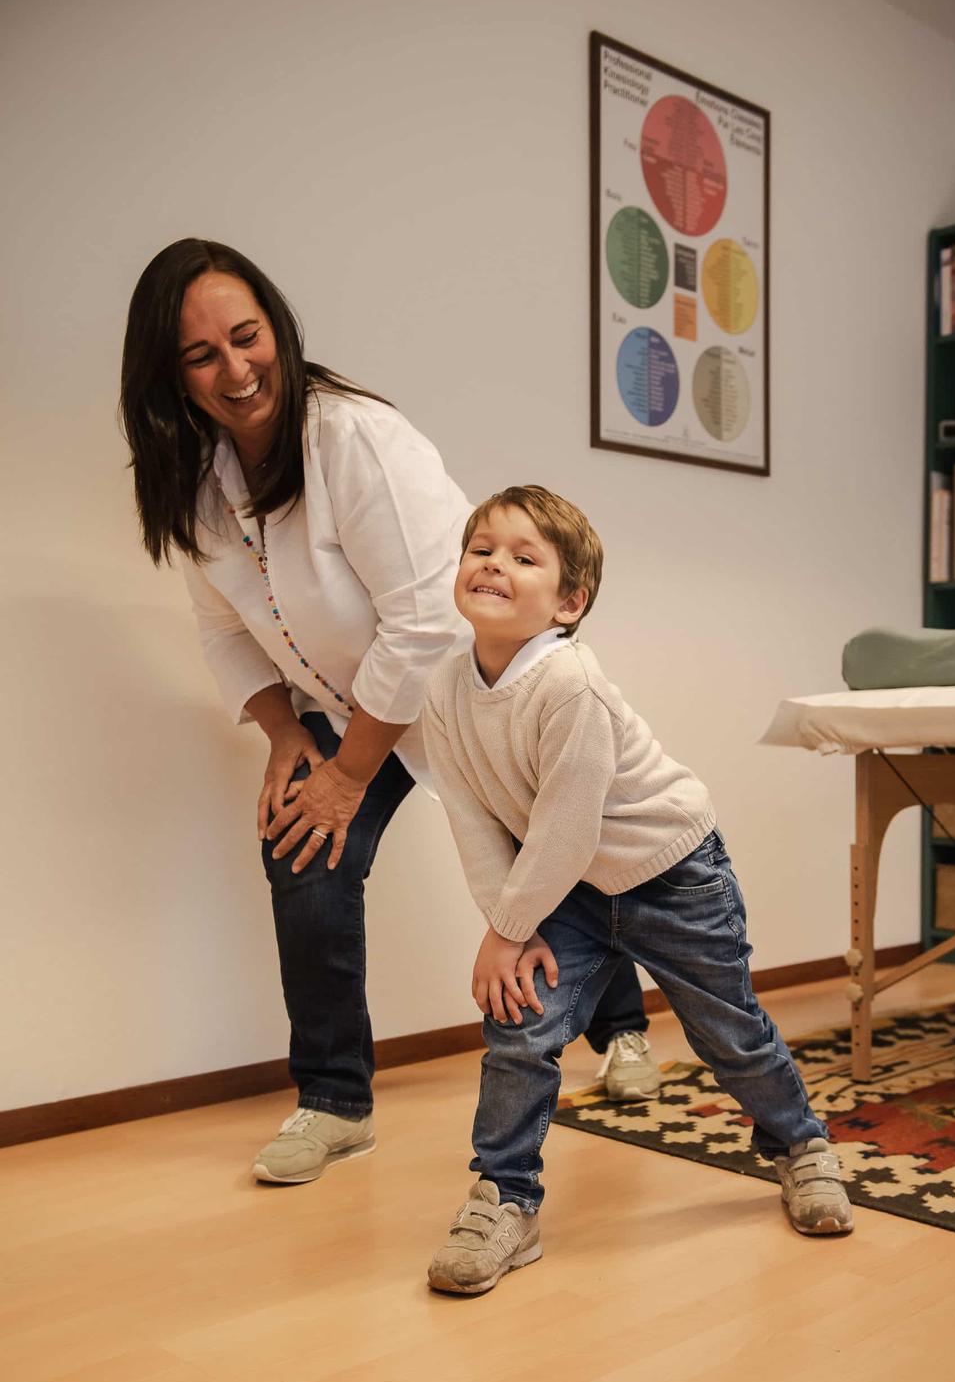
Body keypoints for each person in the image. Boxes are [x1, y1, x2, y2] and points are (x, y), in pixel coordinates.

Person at [119, 240, 657, 1186]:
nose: (236, 371)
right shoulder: (195, 478)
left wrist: (347, 773)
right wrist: (288, 736)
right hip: (345, 701)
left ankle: (620, 1031)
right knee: (302, 850)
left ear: (277, 328)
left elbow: (422, 622)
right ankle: (335, 1103)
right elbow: (224, 628)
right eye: (202, 355)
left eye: (247, 337)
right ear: (169, 375)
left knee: (550, 856)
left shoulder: (354, 437)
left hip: (467, 687)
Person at [422, 485, 853, 1295]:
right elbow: (470, 815)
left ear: (568, 604)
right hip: (567, 890)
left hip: (672, 875)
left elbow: (567, 826)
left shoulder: (569, 684)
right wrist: (508, 926)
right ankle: (505, 1198)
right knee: (519, 1026)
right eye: (481, 549)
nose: (493, 564)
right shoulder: (443, 690)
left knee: (729, 1033)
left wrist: (507, 928)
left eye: (523, 557)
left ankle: (800, 1145)